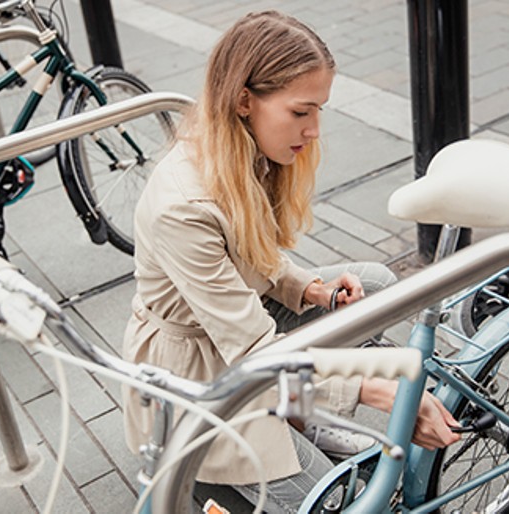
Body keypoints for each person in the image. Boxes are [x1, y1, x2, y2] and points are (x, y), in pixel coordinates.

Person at [122, 10, 459, 513]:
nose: (315, 129)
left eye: (319, 110)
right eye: (301, 113)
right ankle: (246, 448)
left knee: (376, 284)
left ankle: (300, 414)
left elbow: (253, 258)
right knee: (335, 500)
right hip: (200, 369)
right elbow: (255, 353)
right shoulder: (183, 207)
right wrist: (380, 391)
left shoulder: (240, 149)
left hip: (239, 332)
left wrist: (311, 290)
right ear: (243, 101)